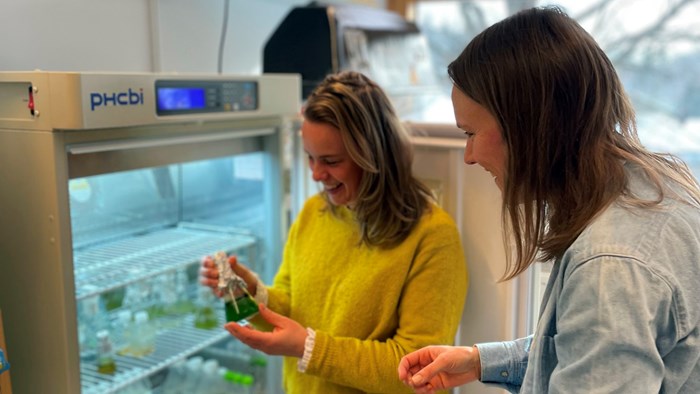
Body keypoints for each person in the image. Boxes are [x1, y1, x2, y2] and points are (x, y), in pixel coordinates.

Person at [398, 6, 700, 394]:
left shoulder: (610, 268)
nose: (468, 156)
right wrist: (481, 361)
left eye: (471, 133)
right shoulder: (656, 185)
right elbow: (593, 349)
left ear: (527, 127)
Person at [200, 70, 468, 394]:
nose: (315, 174)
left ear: (374, 156)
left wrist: (309, 348)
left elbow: (420, 369)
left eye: (330, 160)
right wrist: (246, 293)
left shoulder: (433, 237)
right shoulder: (314, 213)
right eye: (310, 158)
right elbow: (289, 311)